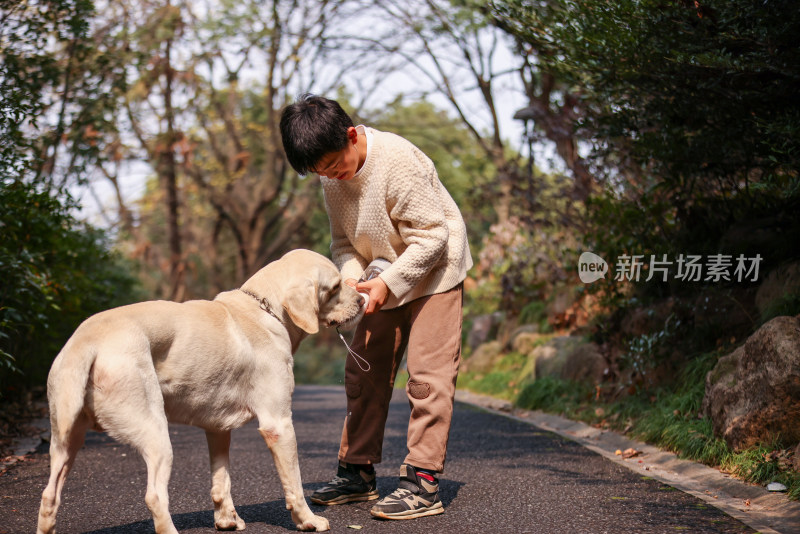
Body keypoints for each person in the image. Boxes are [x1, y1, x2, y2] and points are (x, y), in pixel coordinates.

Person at [279, 94, 472, 521]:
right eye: (320, 173)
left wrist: (388, 282)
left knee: (427, 378)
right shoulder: (332, 180)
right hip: (380, 274)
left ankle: (423, 480)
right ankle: (357, 473)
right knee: (362, 372)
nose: (331, 176)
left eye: (333, 165)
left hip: (435, 272)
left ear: (351, 135)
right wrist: (352, 282)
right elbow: (346, 244)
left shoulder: (399, 161)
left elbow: (433, 237)